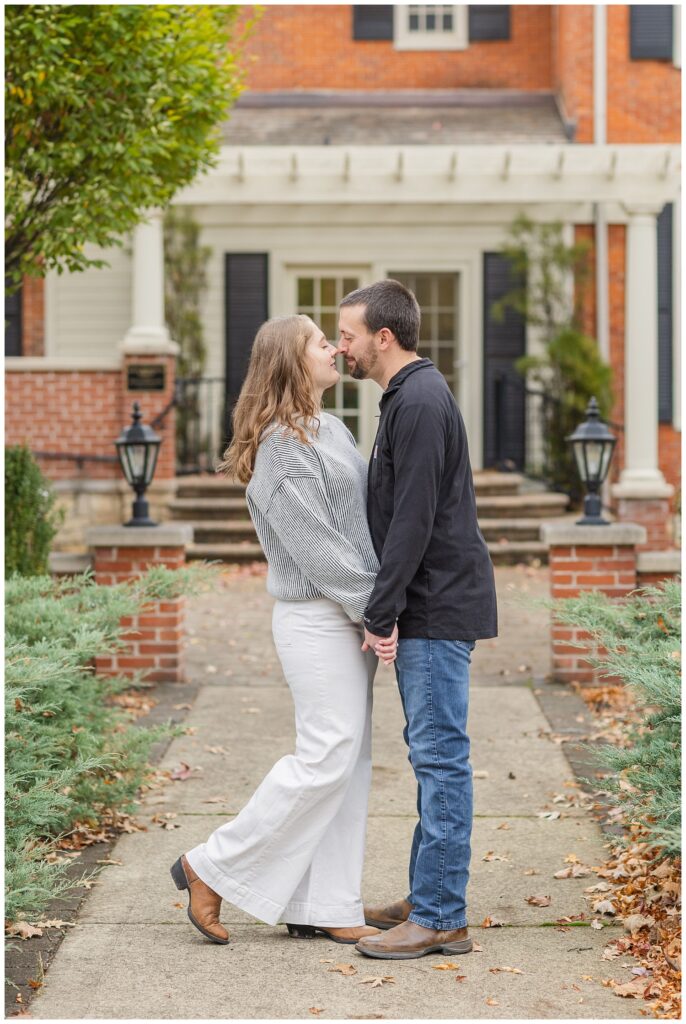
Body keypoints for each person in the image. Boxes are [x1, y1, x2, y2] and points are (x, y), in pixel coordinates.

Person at [170, 314, 397, 945]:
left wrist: (378, 604)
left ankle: (326, 902)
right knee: (325, 757)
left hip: (349, 614)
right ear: (291, 363)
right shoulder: (278, 448)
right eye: (320, 342)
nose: (334, 348)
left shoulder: (332, 429)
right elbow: (320, 549)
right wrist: (377, 615)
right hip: (316, 619)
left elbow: (360, 528)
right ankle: (208, 866)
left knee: (349, 763)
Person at [336, 280, 498, 961]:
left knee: (440, 760)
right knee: (433, 758)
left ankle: (439, 916)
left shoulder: (421, 403)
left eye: (346, 334)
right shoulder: (407, 399)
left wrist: (382, 607)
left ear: (383, 336)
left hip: (433, 606)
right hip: (428, 602)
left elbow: (414, 517)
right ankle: (425, 894)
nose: (340, 345)